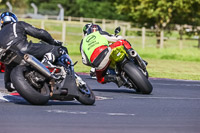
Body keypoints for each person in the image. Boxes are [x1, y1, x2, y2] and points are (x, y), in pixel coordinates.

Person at [0, 12, 65, 92]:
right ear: (14, 19)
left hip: (7, 59)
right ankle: (47, 62)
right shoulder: (17, 24)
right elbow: (40, 33)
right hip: (23, 48)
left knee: (8, 85)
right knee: (57, 49)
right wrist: (53, 42)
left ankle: (16, 84)